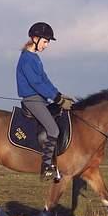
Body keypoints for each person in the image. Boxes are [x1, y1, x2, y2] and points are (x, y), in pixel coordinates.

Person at [16, 22, 74, 181]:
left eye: (48, 42)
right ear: (35, 38)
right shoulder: (27, 59)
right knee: (53, 130)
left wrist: (59, 95)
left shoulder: (35, 58)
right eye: (45, 41)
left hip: (41, 99)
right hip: (32, 100)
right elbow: (36, 83)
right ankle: (47, 167)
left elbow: (45, 80)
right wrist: (57, 99)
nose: (46, 45)